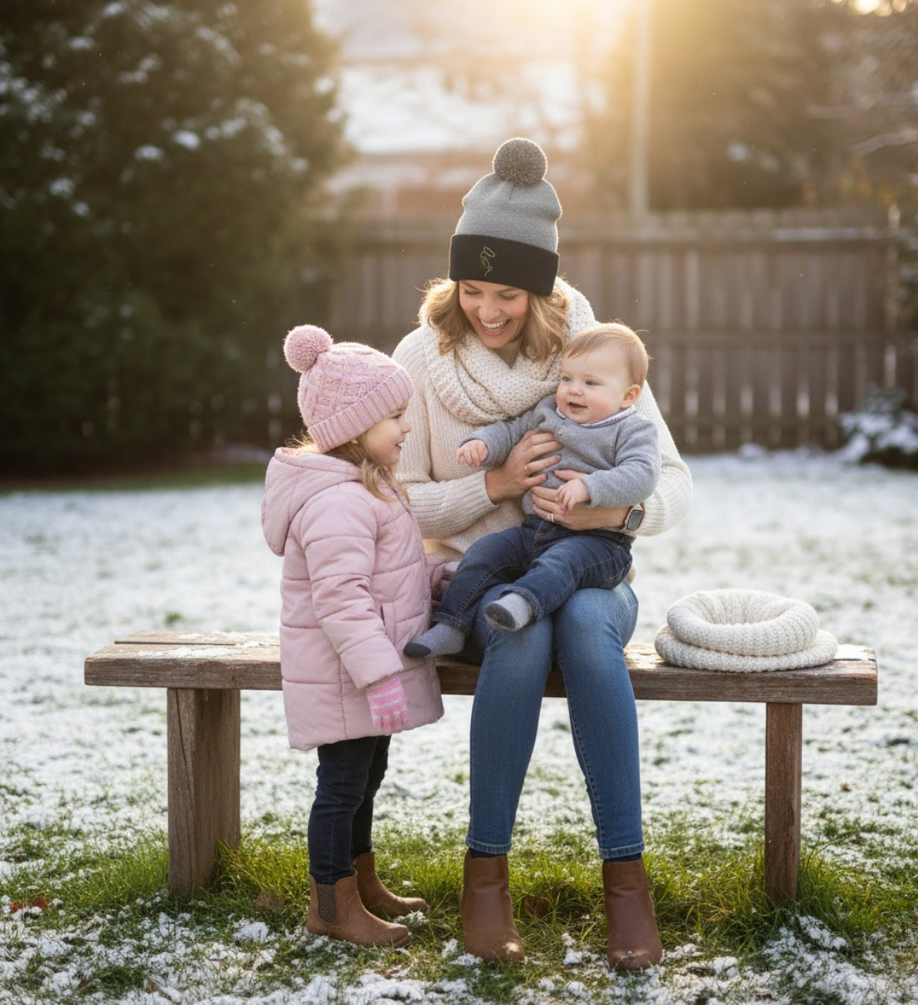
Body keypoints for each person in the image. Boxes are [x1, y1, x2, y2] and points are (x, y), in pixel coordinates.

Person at [392, 137, 693, 968]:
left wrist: (612, 515)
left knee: (589, 630)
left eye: (510, 294)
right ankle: (485, 878)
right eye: (473, 289)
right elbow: (389, 498)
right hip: (487, 576)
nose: (489, 310)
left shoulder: (593, 350)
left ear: (545, 289)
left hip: (593, 562)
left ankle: (626, 886)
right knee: (520, 629)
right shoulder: (418, 361)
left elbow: (672, 481)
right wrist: (487, 492)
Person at [261, 324, 445, 948]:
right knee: (341, 788)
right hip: (351, 677)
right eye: (394, 415)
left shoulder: (369, 484)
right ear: (352, 427)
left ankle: (362, 884)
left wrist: (438, 581)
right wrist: (379, 673)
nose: (406, 426)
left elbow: (389, 574)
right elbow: (342, 599)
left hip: (364, 675)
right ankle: (331, 907)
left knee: (367, 778)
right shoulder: (337, 501)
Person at [405, 322, 659, 656]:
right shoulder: (549, 411)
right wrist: (483, 444)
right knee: (485, 552)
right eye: (567, 379)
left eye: (590, 383)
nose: (573, 390)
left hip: (600, 544)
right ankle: (451, 625)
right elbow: (511, 432)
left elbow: (642, 474)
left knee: (560, 563)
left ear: (628, 396)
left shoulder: (631, 429)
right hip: (535, 530)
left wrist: (589, 486)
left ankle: (522, 604)